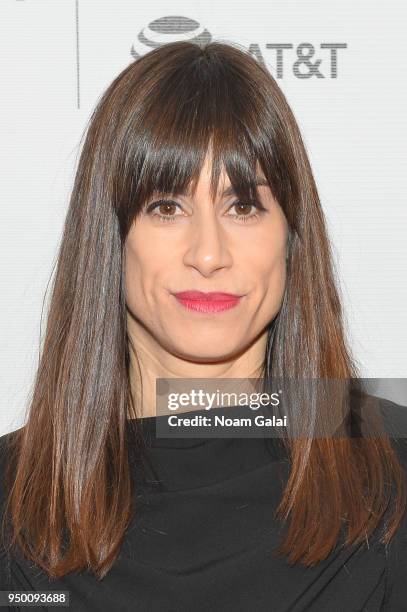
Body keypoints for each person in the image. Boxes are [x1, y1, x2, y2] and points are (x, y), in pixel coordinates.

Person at [0, 40, 406, 611]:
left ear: (291, 236)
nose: (209, 254)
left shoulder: (392, 462)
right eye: (167, 207)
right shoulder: (12, 500)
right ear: (110, 237)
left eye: (243, 206)